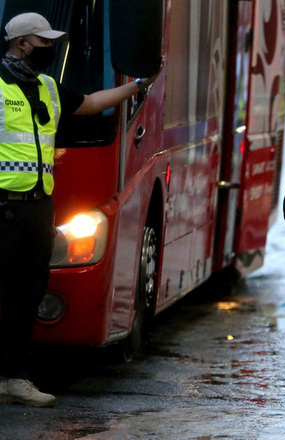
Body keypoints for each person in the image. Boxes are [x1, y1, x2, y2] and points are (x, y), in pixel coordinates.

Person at [0, 12, 160, 408]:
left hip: (37, 209)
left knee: (26, 297)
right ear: (22, 44)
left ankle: (14, 379)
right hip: (2, 207)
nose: (50, 50)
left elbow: (89, 103)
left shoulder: (46, 88)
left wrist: (138, 86)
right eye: (43, 43)